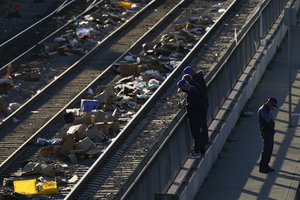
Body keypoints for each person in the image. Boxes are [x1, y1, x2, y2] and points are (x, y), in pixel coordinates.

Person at [177, 79, 208, 157]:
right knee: (198, 133)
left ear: (184, 86)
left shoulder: (192, 92)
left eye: (182, 89)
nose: (183, 90)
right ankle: (201, 150)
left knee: (196, 134)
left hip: (195, 116)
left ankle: (197, 151)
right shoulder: (193, 89)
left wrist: (184, 105)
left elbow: (192, 105)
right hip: (198, 115)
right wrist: (185, 101)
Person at [182, 74, 209, 147]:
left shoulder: (193, 90)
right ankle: (203, 143)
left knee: (196, 132)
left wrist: (184, 105)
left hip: (197, 114)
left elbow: (192, 104)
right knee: (201, 129)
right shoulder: (195, 85)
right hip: (201, 110)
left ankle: (199, 148)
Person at [258, 97, 278, 173]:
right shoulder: (262, 110)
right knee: (266, 150)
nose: (273, 107)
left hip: (270, 131)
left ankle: (266, 165)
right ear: (269, 103)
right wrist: (270, 112)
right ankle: (262, 167)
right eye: (273, 105)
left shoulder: (267, 110)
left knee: (270, 149)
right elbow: (267, 119)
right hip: (266, 132)